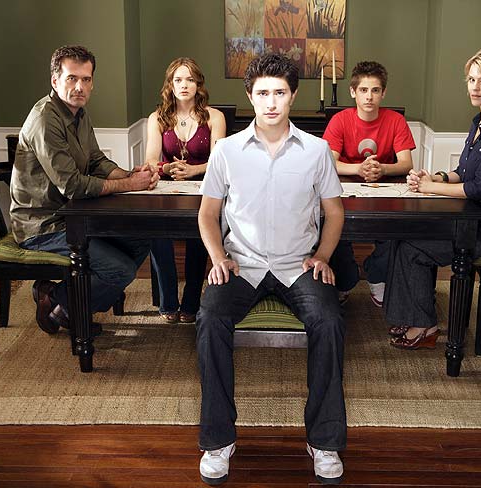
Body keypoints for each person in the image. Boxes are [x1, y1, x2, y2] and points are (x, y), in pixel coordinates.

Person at [196, 53, 346, 485]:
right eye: (262, 93)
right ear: (250, 96)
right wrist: (218, 258)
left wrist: (322, 256)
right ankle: (218, 441)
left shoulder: (317, 151)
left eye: (279, 92)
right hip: (241, 265)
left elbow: (334, 213)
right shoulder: (226, 151)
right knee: (209, 319)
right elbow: (208, 214)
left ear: (293, 95)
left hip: (298, 266)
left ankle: (324, 442)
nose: (271, 102)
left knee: (330, 320)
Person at [10, 45, 159, 335]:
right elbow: (73, 186)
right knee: (120, 270)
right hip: (42, 225)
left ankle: (67, 304)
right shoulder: (45, 120)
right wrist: (129, 185)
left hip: (73, 216)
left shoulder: (78, 113)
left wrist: (130, 174)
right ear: (55, 81)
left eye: (86, 79)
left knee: (141, 238)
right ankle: (58, 301)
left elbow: (96, 160)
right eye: (72, 78)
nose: (79, 87)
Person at [388, 48, 481, 350]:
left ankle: (424, 327)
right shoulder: (480, 123)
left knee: (413, 248)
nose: (475, 87)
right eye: (471, 80)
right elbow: (463, 172)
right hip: (473, 222)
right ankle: (412, 316)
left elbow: (478, 188)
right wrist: (436, 177)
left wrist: (429, 188)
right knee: (404, 236)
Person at [323, 61, 415, 306]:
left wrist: (382, 168)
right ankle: (345, 280)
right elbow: (329, 162)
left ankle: (376, 275)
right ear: (353, 92)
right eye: (363, 90)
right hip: (345, 191)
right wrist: (358, 169)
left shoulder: (395, 120)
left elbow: (406, 163)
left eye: (375, 90)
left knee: (395, 232)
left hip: (384, 191)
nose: (369, 97)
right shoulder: (340, 120)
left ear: (383, 93)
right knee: (334, 229)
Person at [145, 57, 226, 324]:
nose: (184, 85)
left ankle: (191, 301)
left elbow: (219, 162)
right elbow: (150, 161)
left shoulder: (214, 117)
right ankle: (168, 301)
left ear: (198, 84)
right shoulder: (157, 118)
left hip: (204, 189)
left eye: (190, 79)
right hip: (167, 190)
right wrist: (166, 168)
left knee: (199, 233)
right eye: (178, 80)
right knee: (157, 235)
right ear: (170, 84)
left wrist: (194, 170)